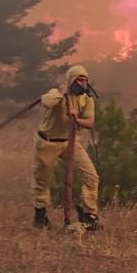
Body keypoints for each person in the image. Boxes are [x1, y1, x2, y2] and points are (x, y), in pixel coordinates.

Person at [33, 64, 100, 230]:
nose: (83, 83)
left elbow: (90, 122)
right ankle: (40, 215)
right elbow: (46, 103)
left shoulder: (86, 99)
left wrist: (76, 120)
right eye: (79, 80)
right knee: (42, 180)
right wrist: (62, 94)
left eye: (85, 80)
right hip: (48, 142)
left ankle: (89, 215)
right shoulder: (56, 94)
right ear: (71, 80)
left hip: (71, 142)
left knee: (91, 175)